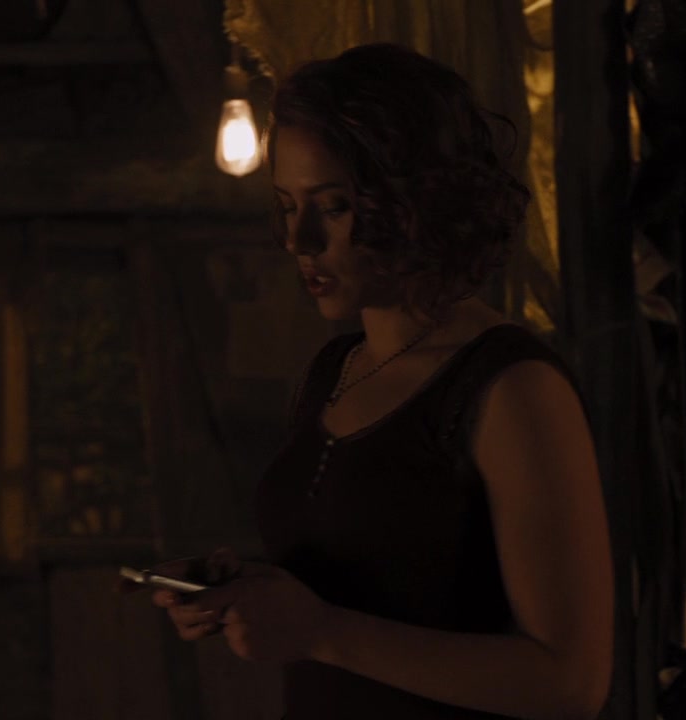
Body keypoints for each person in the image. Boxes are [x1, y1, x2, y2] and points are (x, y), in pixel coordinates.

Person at [131, 43, 612, 719]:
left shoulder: (510, 387)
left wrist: (320, 631)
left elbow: (569, 684)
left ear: (416, 202)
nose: (299, 240)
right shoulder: (334, 370)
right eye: (286, 205)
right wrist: (244, 592)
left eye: (332, 207)